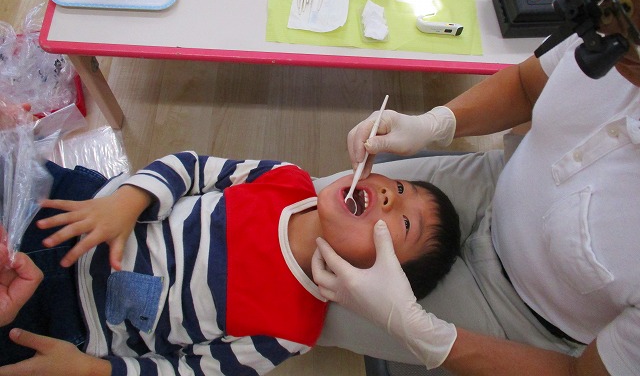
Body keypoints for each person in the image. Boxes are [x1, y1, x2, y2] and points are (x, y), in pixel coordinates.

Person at [312, 0, 640, 375]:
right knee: (298, 203)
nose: (610, 9)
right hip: (492, 183)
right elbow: (527, 84)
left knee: (294, 285)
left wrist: (424, 334)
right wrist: (435, 122)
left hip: (527, 321)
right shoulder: (614, 15)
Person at [0, 148, 460, 376]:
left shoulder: (290, 331)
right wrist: (127, 200)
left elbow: (187, 371)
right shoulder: (286, 179)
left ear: (379, 279)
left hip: (69, 326)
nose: (390, 195)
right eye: (401, 187)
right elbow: (189, 167)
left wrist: (91, 370)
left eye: (404, 225)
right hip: (83, 207)